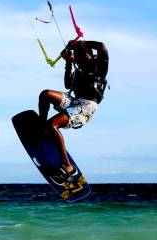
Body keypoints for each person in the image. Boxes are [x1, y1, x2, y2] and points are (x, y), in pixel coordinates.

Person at [38, 39, 109, 181]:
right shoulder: (78, 67)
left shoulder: (99, 65)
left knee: (53, 124)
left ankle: (68, 167)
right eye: (75, 55)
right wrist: (68, 63)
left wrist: (81, 43)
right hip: (73, 101)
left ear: (88, 54)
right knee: (45, 94)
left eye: (78, 54)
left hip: (86, 107)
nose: (76, 57)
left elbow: (101, 46)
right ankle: (42, 128)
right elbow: (67, 84)